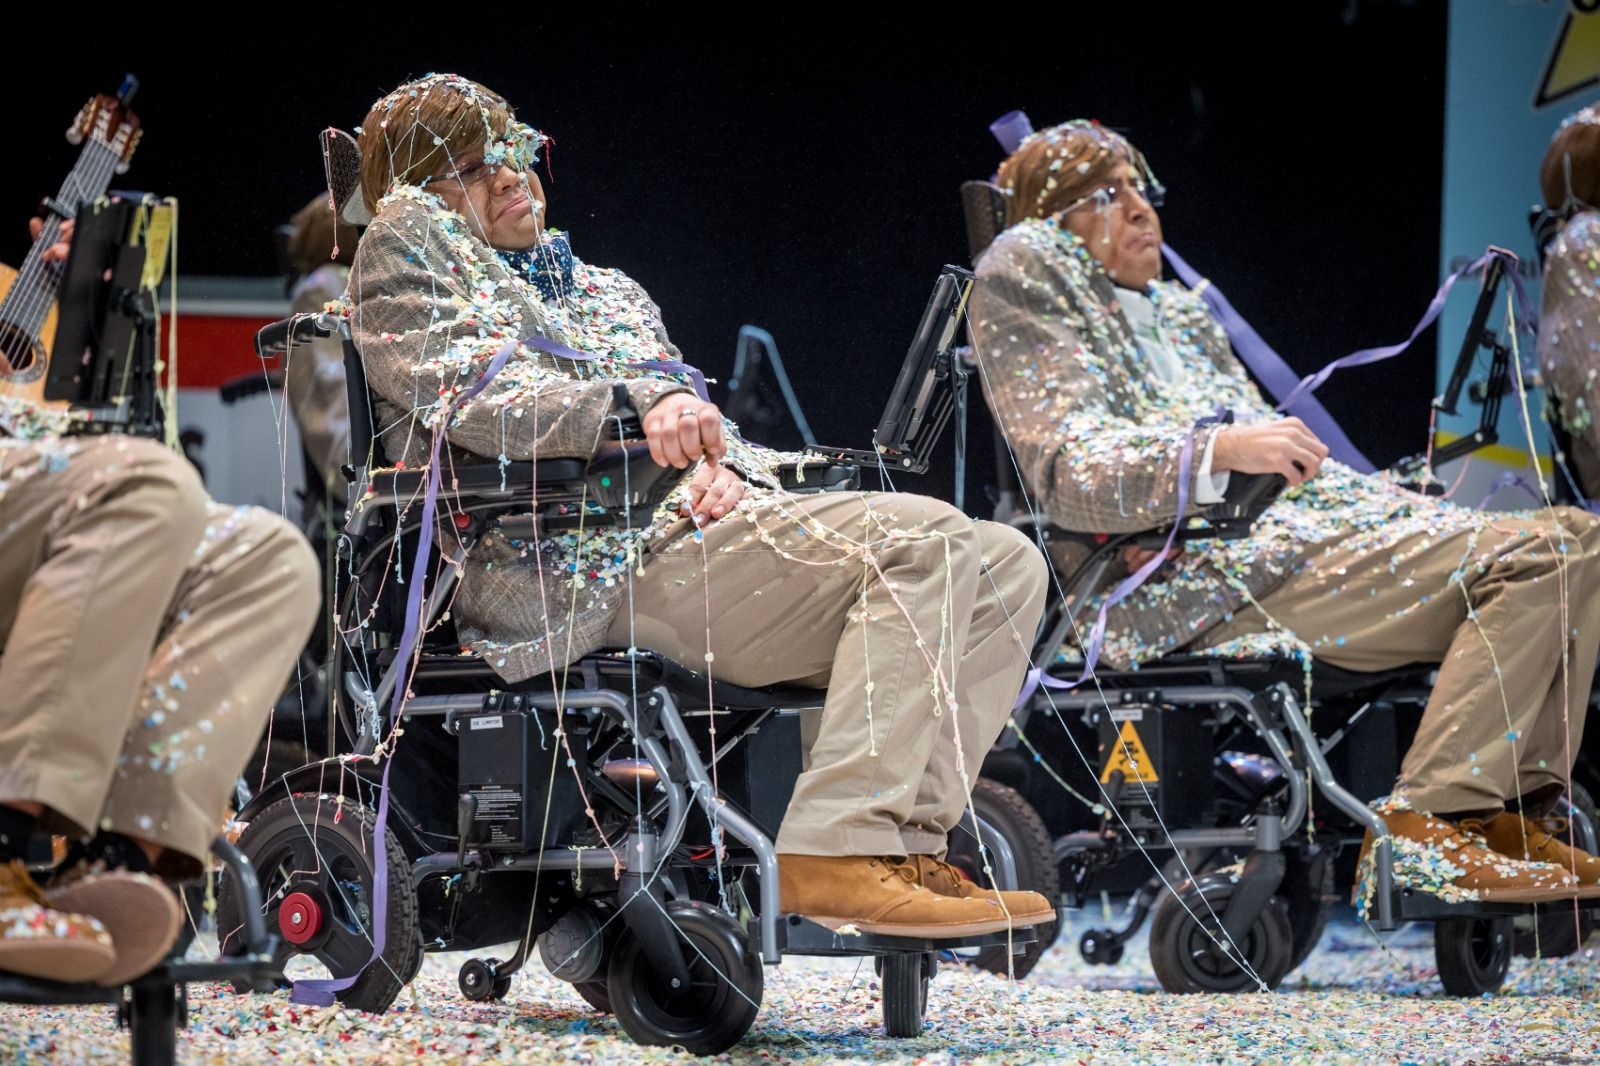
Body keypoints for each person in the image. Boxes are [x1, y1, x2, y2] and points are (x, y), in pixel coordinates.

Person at [345, 73, 1053, 936]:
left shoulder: (609, 290)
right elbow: (485, 398)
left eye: (512, 152)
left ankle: (901, 847)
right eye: (468, 168)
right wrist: (646, 411)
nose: (506, 176)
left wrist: (723, 464)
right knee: (930, 542)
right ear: (418, 198)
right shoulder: (401, 255)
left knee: (1009, 562)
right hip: (569, 566)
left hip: (692, 539)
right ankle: (839, 848)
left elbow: (693, 414)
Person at [973, 119, 1600, 905]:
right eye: (1104, 194)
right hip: (1190, 582)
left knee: (1579, 538)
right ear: (1049, 226)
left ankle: (1510, 817)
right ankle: (1437, 826)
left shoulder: (1179, 315)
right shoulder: (1019, 278)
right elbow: (1069, 468)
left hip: (1285, 545)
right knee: (1543, 558)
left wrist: (1378, 500)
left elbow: (1276, 459)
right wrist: (1218, 450)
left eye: (1140, 187)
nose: (1138, 209)